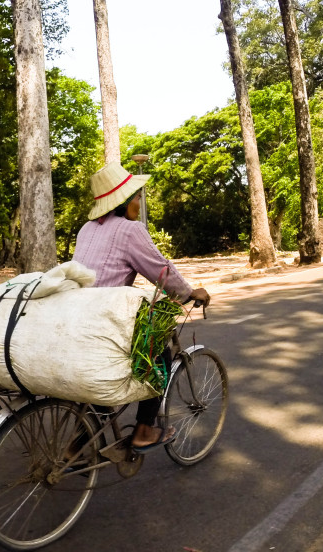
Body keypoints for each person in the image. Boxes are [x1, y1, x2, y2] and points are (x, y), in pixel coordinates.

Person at [73, 162, 211, 453]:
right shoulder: (129, 230)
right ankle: (144, 431)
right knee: (157, 350)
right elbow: (160, 271)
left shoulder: (86, 229)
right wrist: (188, 293)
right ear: (122, 202)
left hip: (79, 317)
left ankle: (78, 446)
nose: (138, 202)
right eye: (136, 197)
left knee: (100, 379)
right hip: (106, 320)